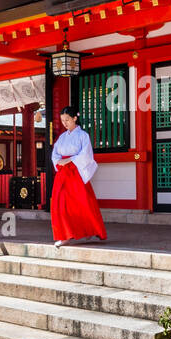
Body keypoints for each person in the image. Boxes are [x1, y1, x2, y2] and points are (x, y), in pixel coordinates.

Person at [50, 105, 106, 248]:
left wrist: (70, 159)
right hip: (63, 173)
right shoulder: (62, 137)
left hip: (76, 172)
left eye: (67, 120)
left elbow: (86, 154)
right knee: (60, 204)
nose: (65, 123)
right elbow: (55, 154)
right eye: (63, 120)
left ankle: (90, 229)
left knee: (82, 204)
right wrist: (59, 161)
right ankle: (65, 235)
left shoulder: (83, 135)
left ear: (75, 118)